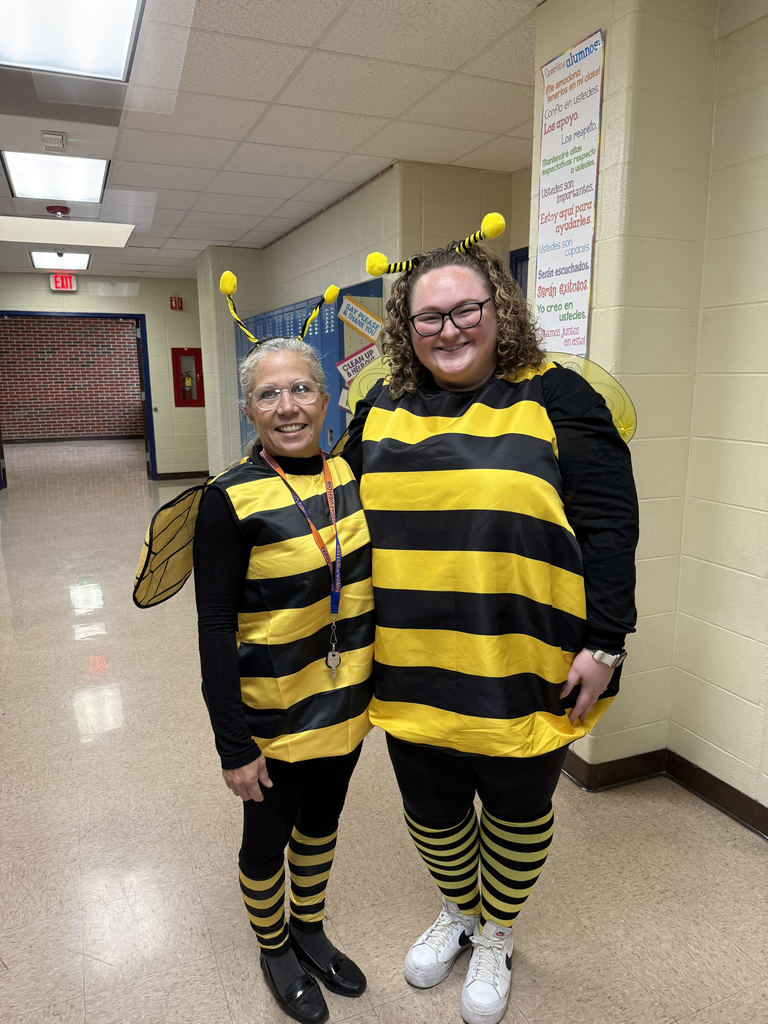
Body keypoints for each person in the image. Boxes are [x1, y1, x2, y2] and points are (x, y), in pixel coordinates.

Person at [342, 223, 638, 1024]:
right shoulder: (381, 405)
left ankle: (499, 931)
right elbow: (330, 505)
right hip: (408, 655)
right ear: (406, 329)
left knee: (516, 804)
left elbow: (610, 527)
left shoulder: (556, 396)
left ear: (499, 310)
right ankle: (461, 911)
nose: (448, 329)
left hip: (523, 655)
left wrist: (606, 643)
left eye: (465, 309)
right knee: (431, 807)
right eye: (427, 317)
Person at [193, 336, 374, 1024]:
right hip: (272, 713)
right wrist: (232, 745)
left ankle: (309, 927)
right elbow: (213, 628)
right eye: (270, 394)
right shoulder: (228, 499)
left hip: (346, 702)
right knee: (268, 838)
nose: (288, 406)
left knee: (322, 824)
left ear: (325, 401)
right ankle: (274, 948)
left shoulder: (349, 475)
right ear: (249, 410)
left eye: (301, 389)